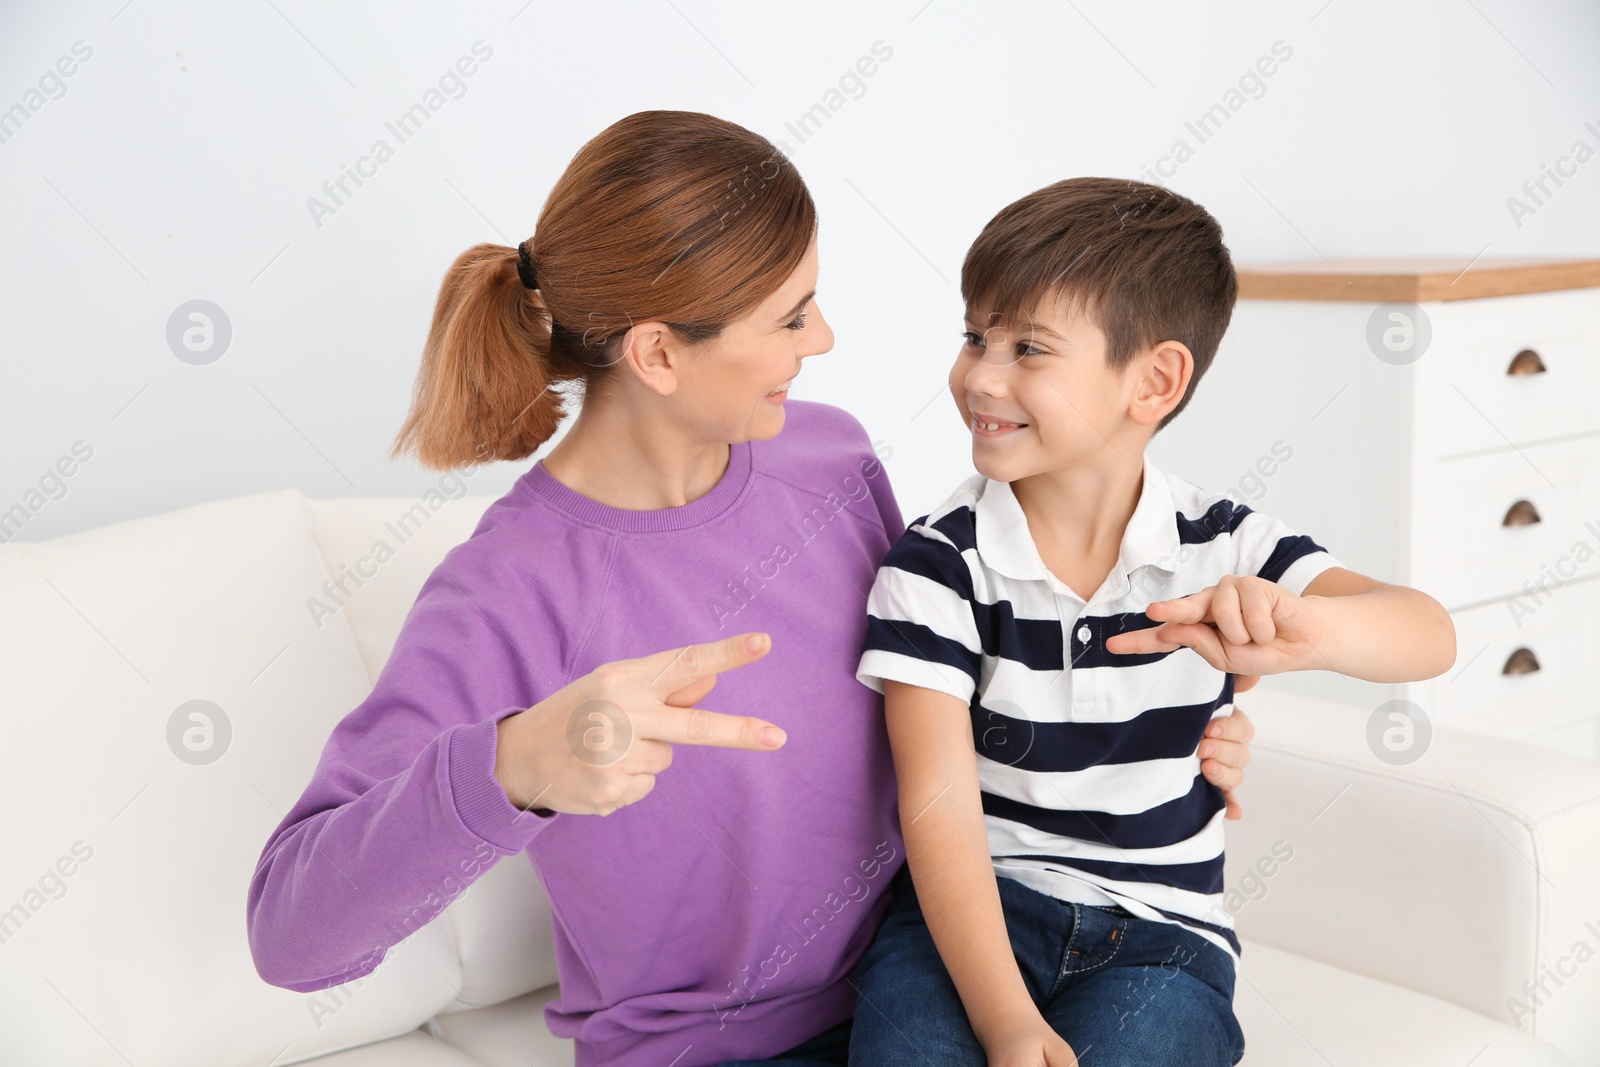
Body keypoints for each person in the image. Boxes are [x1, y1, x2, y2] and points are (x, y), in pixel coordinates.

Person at [245, 112, 1261, 1067]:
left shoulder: (829, 458)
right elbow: (292, 937)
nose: (820, 341)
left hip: (921, 983)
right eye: (788, 317)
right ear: (655, 353)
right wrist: (511, 766)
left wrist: (1160, 719)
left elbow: (949, 674)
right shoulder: (506, 587)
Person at [847, 177, 1457, 1066]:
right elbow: (937, 810)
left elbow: (1425, 632)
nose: (981, 374)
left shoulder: (1223, 544)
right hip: (974, 922)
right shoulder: (938, 565)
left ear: (1155, 381)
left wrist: (1304, 630)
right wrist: (1007, 1021)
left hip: (1166, 937)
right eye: (976, 334)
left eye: (1029, 348)